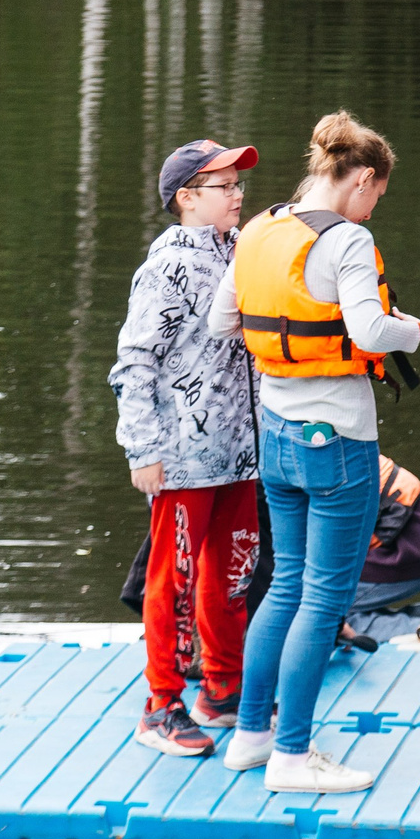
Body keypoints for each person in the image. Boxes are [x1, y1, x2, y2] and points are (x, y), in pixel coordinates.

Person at [206, 110, 420, 795]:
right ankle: (293, 756)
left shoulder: (259, 228)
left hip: (276, 431)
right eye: (376, 194)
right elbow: (370, 330)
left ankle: (251, 736)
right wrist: (412, 331)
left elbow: (221, 320)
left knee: (286, 584)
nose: (373, 208)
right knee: (326, 598)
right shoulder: (348, 240)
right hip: (337, 441)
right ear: (361, 179)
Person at [110, 138, 262, 757]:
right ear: (186, 198)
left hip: (241, 453)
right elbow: (134, 362)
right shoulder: (168, 267)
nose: (237, 194)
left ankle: (222, 691)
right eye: (224, 186)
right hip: (182, 459)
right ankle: (160, 707)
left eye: (237, 184)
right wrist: (142, 449)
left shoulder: (243, 249)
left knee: (234, 573)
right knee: (172, 580)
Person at [333, 453, 420, 648]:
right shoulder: (322, 449)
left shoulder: (305, 470)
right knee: (320, 606)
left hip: (408, 549)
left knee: (322, 613)